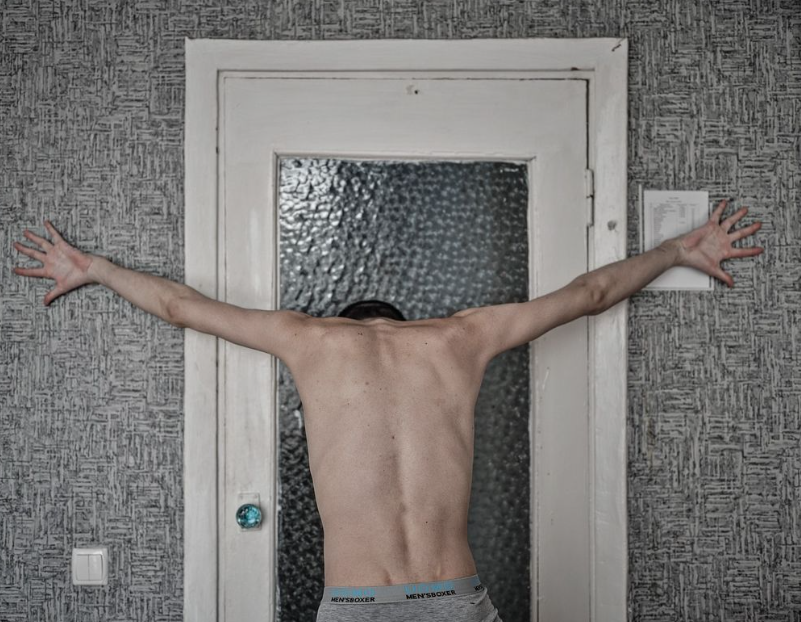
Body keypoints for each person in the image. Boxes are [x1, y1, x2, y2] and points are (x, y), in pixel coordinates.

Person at [12, 198, 763, 621]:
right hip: (455, 596)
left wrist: (94, 267)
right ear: (401, 325)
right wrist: (678, 249)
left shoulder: (307, 340)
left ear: (346, 323)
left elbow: (180, 306)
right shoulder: (462, 338)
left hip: (355, 602)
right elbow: (590, 295)